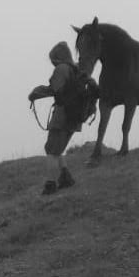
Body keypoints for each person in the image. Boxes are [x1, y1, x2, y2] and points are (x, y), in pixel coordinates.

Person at [27, 41, 96, 195]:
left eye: (53, 60)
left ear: (58, 58)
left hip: (63, 116)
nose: (52, 63)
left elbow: (55, 90)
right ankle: (65, 177)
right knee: (56, 148)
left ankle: (50, 184)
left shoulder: (62, 69)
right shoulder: (77, 69)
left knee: (52, 150)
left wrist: (35, 93)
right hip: (76, 117)